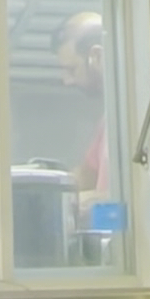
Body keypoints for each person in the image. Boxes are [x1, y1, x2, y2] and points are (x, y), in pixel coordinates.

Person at [52, 12, 109, 207]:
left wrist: (79, 203)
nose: (67, 81)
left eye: (71, 69)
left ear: (97, 57)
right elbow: (86, 175)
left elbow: (139, 195)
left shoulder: (137, 112)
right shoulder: (108, 121)